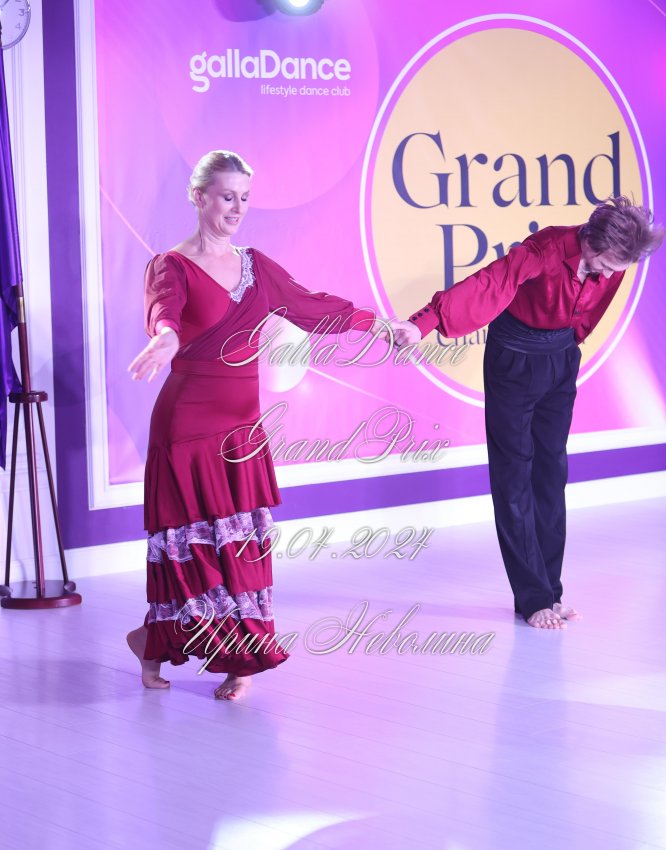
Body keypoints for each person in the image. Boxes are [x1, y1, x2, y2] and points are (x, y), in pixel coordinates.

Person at [126, 150, 380, 697]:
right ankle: (155, 645)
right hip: (187, 423)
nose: (237, 207)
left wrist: (376, 325)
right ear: (199, 197)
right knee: (189, 547)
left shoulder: (257, 266)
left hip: (240, 427)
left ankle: (240, 659)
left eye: (244, 197)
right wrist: (165, 336)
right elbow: (164, 312)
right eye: (226, 196)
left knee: (241, 548)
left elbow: (310, 306)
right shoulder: (170, 266)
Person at [387, 197, 663, 629]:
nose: (611, 275)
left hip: (560, 360)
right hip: (514, 361)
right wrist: (422, 323)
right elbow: (488, 283)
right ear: (592, 241)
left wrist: (568, 343)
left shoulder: (613, 263)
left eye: (618, 269)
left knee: (551, 475)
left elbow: (589, 309)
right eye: (607, 265)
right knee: (514, 476)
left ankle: (551, 591)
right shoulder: (544, 250)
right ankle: (533, 598)